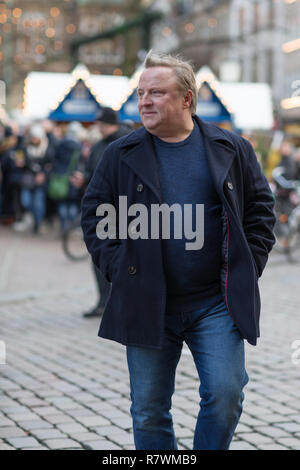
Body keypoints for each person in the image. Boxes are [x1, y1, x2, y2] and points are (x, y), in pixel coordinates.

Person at [81, 53, 276, 450]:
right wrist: (120, 267)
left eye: (157, 92)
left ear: (187, 99)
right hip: (148, 300)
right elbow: (95, 216)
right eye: (141, 93)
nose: (145, 101)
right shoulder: (120, 153)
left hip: (214, 303)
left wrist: (246, 264)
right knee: (149, 410)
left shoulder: (231, 148)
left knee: (226, 394)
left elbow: (260, 210)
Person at [73, 107, 130, 318]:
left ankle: (122, 303)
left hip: (127, 211)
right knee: (100, 257)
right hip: (102, 212)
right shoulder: (98, 146)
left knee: (129, 258)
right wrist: (84, 181)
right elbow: (94, 174)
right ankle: (104, 302)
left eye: (100, 123)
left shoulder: (128, 141)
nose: (97, 127)